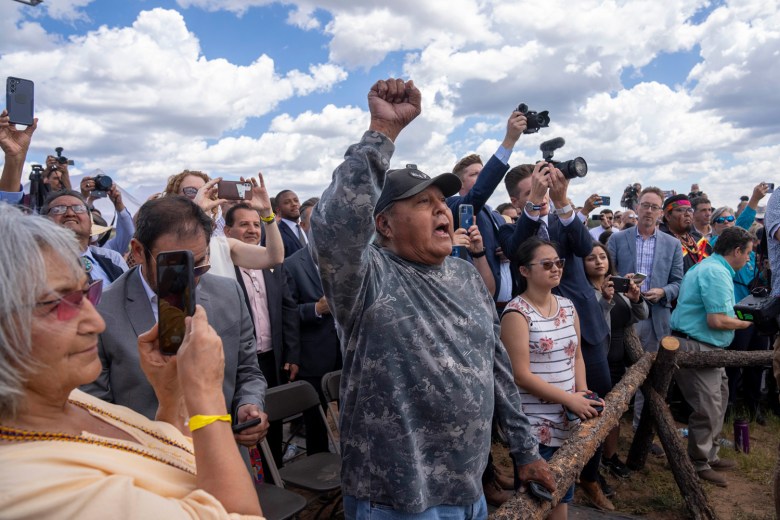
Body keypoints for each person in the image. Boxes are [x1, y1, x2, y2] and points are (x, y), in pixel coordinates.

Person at [311, 78, 553, 517]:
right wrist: (381, 133)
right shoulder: (367, 280)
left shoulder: (463, 273)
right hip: (397, 498)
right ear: (384, 225)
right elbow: (336, 227)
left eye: (442, 200)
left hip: (468, 486)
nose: (442, 210)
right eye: (423, 203)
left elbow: (495, 364)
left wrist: (524, 450)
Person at [0, 203, 263, 519]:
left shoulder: (68, 404)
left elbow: (162, 451)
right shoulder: (31, 488)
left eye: (87, 294)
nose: (95, 323)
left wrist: (171, 400)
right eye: (60, 304)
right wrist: (205, 398)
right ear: (138, 251)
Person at [81, 196, 270, 451]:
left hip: (224, 453)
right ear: (138, 251)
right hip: (147, 468)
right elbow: (96, 409)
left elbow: (248, 370)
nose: (189, 279)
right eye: (174, 266)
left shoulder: (229, 294)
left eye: (199, 264)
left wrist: (248, 404)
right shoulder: (100, 312)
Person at [499, 161, 613, 503]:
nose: (542, 194)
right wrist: (534, 204)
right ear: (517, 201)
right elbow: (519, 247)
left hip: (578, 326)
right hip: (535, 330)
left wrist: (563, 201)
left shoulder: (564, 219)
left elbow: (583, 246)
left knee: (593, 402)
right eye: (531, 191)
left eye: (544, 188)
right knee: (553, 417)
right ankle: (553, 482)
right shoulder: (513, 229)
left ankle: (590, 476)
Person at [670, 226, 754, 487]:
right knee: (707, 408)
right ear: (737, 250)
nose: (749, 259)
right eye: (748, 253)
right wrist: (748, 324)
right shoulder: (716, 272)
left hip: (709, 348)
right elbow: (716, 320)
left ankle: (710, 454)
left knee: (719, 400)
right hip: (698, 347)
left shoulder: (714, 267)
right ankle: (698, 463)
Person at [607, 186, 683, 432]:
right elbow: (607, 274)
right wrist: (621, 282)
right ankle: (611, 427)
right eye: (645, 205)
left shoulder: (672, 244)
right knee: (619, 370)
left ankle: (642, 429)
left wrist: (663, 292)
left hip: (656, 314)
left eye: (654, 207)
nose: (649, 211)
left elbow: (679, 282)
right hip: (624, 313)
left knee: (649, 372)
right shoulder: (618, 238)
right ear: (636, 208)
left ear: (661, 213)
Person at [446, 110, 527, 309]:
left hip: (510, 306)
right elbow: (478, 194)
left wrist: (508, 254)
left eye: (484, 173)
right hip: (479, 306)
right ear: (459, 182)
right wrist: (509, 141)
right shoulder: (455, 205)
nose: (482, 178)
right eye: (475, 174)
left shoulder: (497, 217)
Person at [583, 242, 648, 480]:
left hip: (618, 359)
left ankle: (609, 457)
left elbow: (641, 316)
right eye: (591, 258)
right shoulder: (584, 292)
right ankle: (590, 466)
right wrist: (605, 300)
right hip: (596, 361)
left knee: (616, 411)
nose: (599, 261)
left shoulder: (617, 285)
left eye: (602, 256)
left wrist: (636, 298)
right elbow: (593, 326)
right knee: (596, 414)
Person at [43, 190, 129, 286]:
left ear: (90, 225)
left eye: (79, 208)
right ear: (44, 222)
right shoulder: (35, 265)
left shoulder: (112, 262)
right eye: (58, 209)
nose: (70, 213)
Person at [273, 190, 306, 257]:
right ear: (278, 210)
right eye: (287, 202)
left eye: (296, 200)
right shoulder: (277, 233)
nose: (294, 204)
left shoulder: (303, 229)